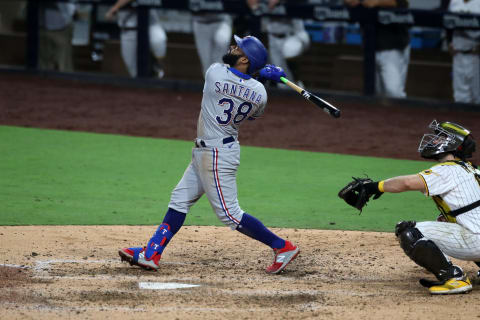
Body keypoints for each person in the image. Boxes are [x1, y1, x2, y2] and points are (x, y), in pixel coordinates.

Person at [119, 35, 300, 274]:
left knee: (230, 214)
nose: (231, 48)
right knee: (179, 200)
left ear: (244, 58)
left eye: (237, 48)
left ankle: (282, 246)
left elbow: (231, 77)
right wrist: (262, 77)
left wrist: (258, 73)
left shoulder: (215, 73)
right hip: (212, 151)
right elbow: (251, 108)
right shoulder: (261, 94)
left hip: (215, 155)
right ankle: (151, 253)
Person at [341, 119, 480, 295]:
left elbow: (407, 183)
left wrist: (375, 187)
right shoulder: (472, 169)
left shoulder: (447, 170)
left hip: (476, 241)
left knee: (409, 231)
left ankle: (454, 279)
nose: (434, 140)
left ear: (452, 143)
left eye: (440, 137)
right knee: (450, 221)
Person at [344, 0, 411, 98]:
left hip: (393, 46)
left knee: (393, 92)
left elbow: (402, 3)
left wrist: (377, 2)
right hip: (370, 46)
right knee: (376, 94)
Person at [249, 0, 310, 83]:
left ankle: (298, 81)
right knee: (279, 75)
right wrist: (254, 6)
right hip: (272, 38)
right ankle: (291, 90)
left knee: (289, 50)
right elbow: (255, 10)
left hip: (294, 36)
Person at [105, 0, 167, 78]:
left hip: (150, 24)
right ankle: (145, 87)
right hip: (128, 30)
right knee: (133, 69)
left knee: (158, 40)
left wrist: (115, 7)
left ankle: (158, 65)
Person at [447, 0, 480, 104]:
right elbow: (447, 23)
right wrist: (449, 42)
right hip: (458, 53)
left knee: (477, 95)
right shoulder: (454, 2)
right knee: (460, 95)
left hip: (475, 54)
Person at [190, 3, 233, 76]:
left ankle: (219, 81)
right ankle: (211, 84)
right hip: (200, 21)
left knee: (222, 42)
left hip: (222, 19)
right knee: (206, 63)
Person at [38, 1, 76, 72]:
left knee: (64, 66)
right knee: (43, 67)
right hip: (41, 28)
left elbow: (71, 8)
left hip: (63, 28)